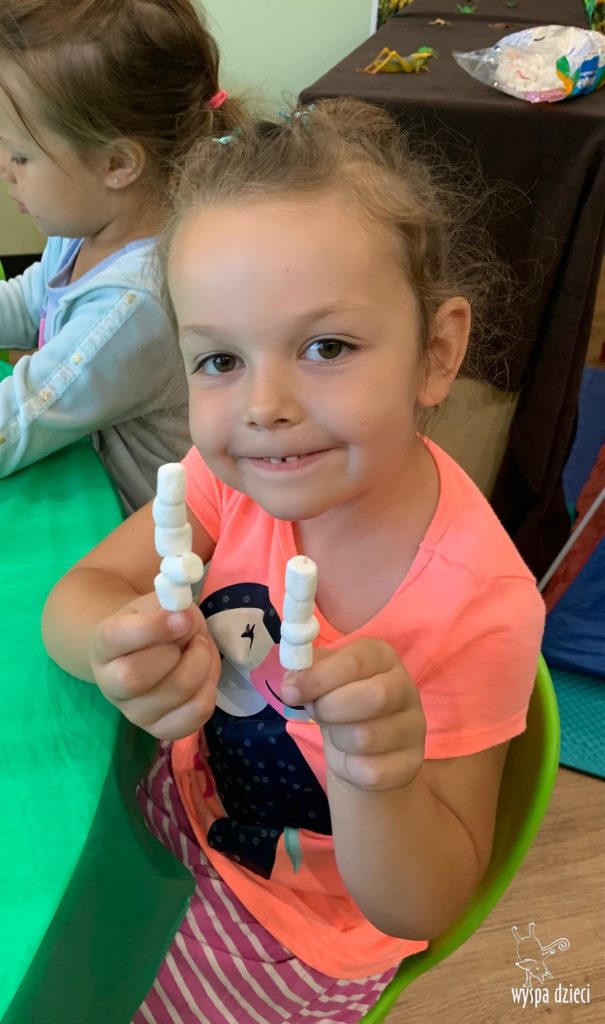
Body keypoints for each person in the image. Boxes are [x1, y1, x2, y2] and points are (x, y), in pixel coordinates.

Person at [43, 100, 545, 1022]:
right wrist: (115, 648)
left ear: (436, 353)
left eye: (325, 347)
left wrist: (378, 779)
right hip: (173, 818)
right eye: (218, 361)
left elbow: (424, 905)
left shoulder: (480, 605)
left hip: (299, 930)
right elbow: (77, 596)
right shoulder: (227, 478)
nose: (263, 406)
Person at [0, 0, 244, 511]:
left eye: (20, 155)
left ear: (116, 164)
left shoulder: (135, 300)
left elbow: (15, 422)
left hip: (141, 535)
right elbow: (28, 303)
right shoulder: (84, 228)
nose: (4, 169)